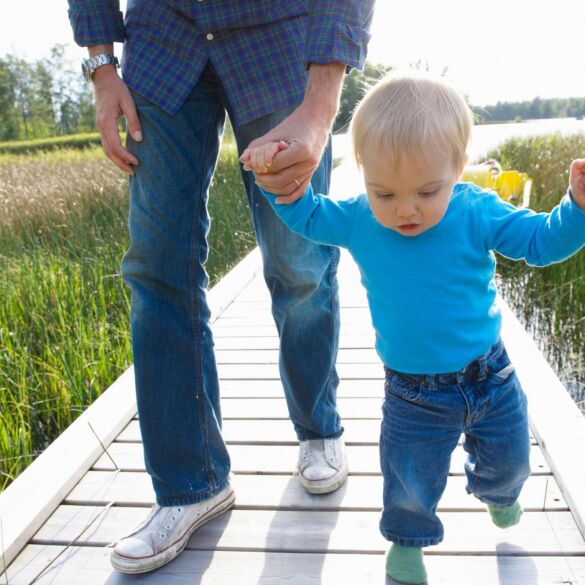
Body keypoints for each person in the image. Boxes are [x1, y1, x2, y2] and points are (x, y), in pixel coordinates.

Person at [67, 0, 375, 574]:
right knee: (156, 267)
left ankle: (318, 426)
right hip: (165, 38)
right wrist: (103, 67)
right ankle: (191, 485)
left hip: (280, 31)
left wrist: (320, 102)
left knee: (298, 258)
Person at [245, 71, 585, 585]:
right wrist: (279, 188)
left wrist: (577, 208)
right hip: (413, 393)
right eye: (384, 193)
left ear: (459, 169)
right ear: (363, 175)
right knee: (408, 481)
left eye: (428, 191)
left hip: (490, 377)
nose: (405, 209)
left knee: (511, 464)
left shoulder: (475, 210)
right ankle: (406, 545)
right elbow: (309, 218)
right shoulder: (359, 218)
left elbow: (539, 242)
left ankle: (497, 494)